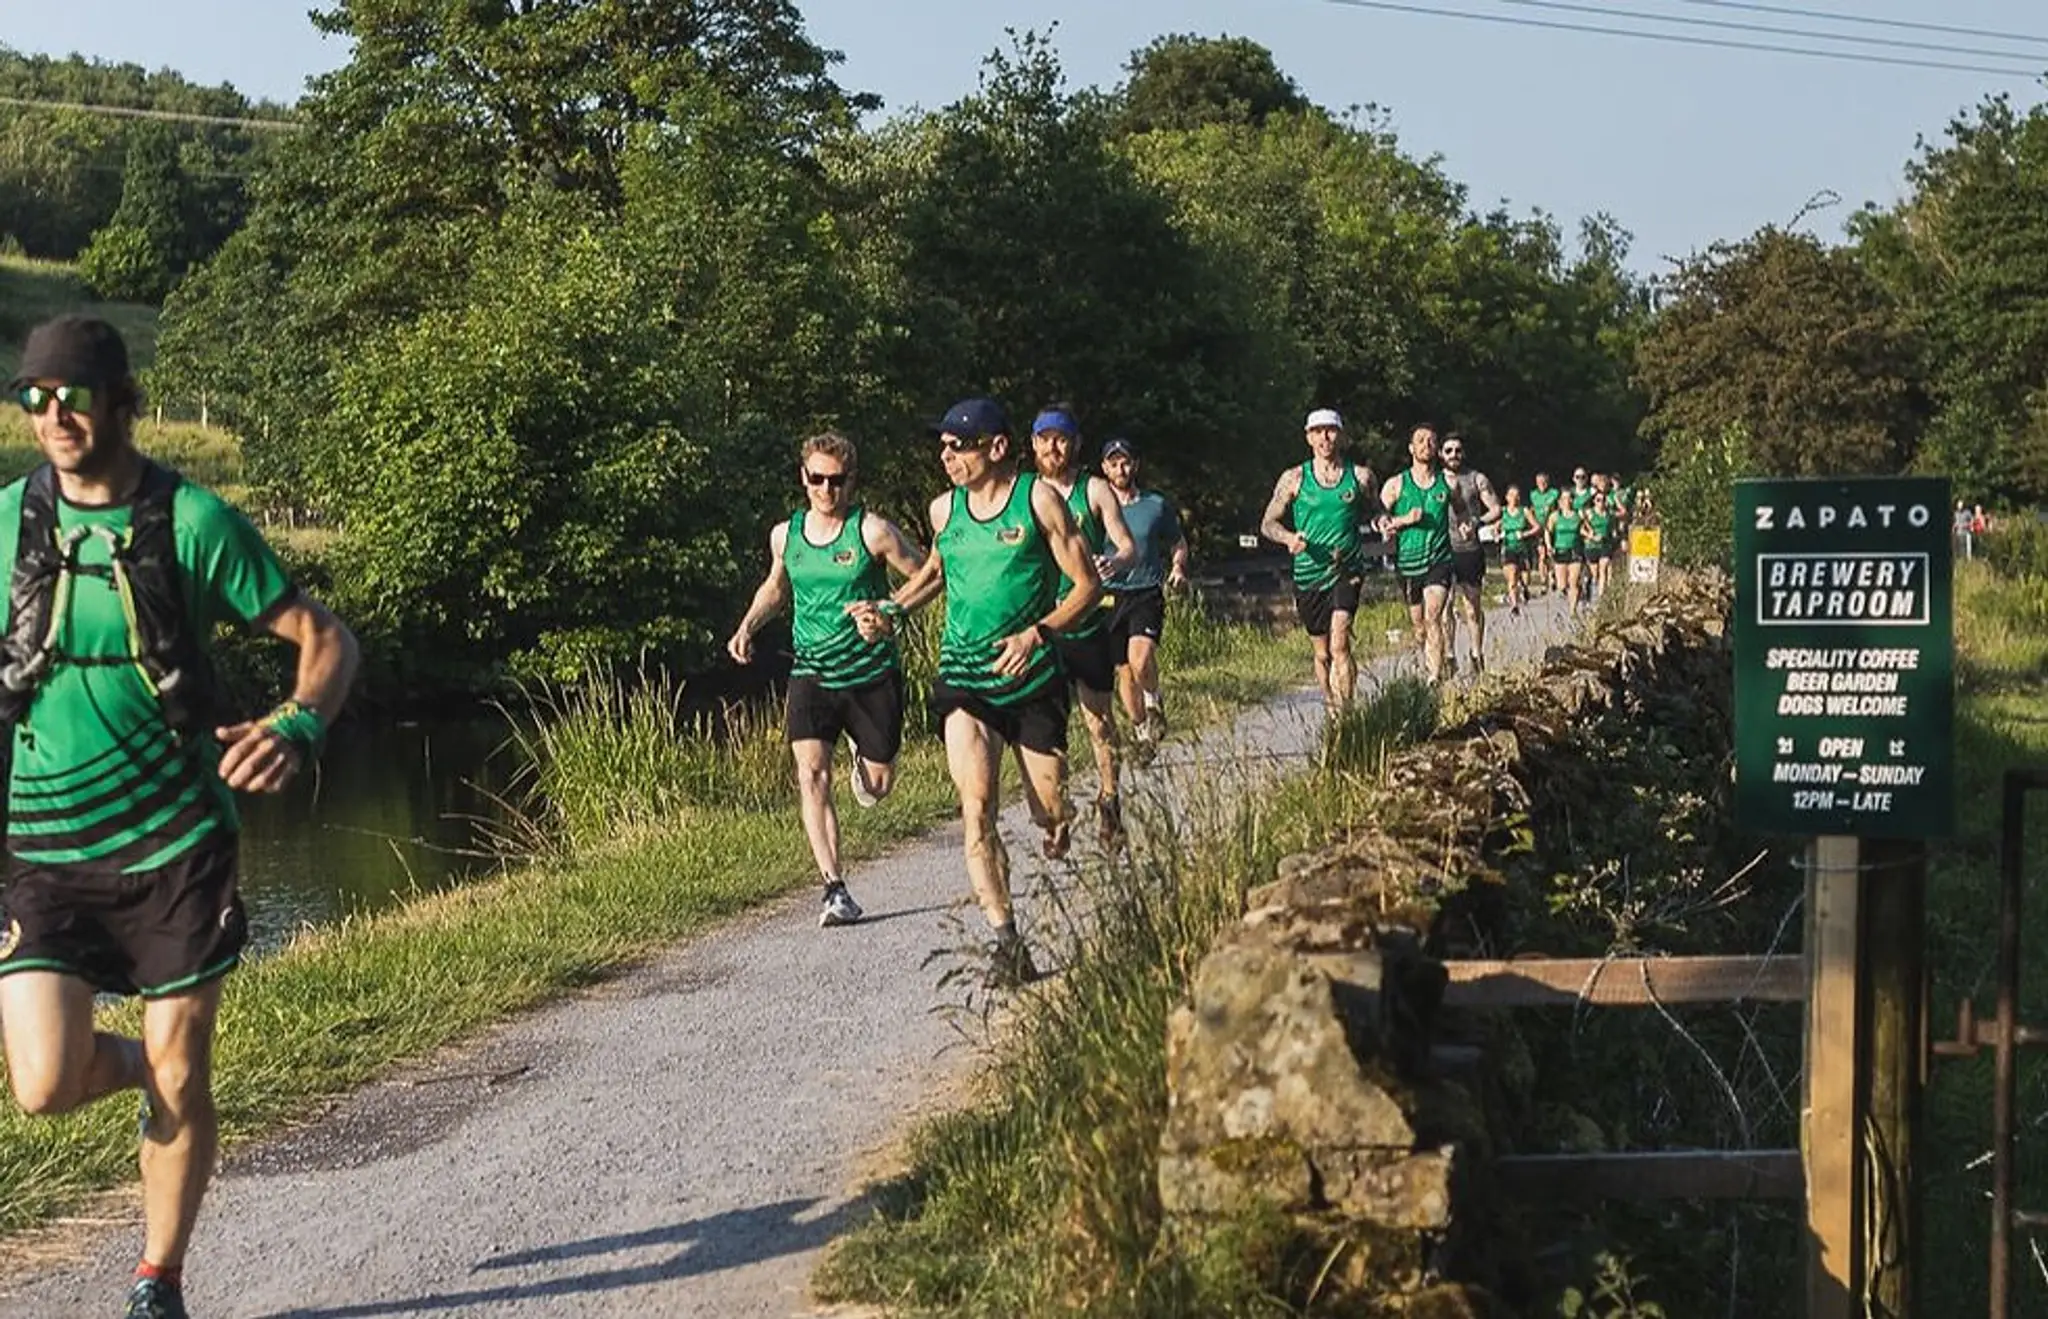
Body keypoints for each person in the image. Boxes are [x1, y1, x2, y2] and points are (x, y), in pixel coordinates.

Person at [0, 316, 362, 1319]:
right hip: (43, 842)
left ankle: (156, 1279)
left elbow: (325, 639)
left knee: (184, 1060)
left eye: (74, 392)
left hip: (176, 841)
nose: (56, 413)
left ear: (124, 401)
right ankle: (140, 1069)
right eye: (36, 397)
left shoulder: (195, 521)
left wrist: (299, 721)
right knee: (41, 1082)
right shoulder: (3, 523)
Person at [858, 398, 1101, 988]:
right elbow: (936, 575)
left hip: (1033, 678)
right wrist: (893, 609)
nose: (947, 456)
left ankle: (1057, 819)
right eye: (941, 446)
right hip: (965, 677)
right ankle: (1005, 941)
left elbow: (1087, 585)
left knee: (1049, 811)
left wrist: (1038, 634)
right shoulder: (945, 511)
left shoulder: (1038, 501)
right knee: (978, 806)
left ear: (996, 447)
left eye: (958, 445)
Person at [726, 432, 926, 927]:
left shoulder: (872, 531)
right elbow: (776, 585)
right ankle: (834, 889)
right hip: (811, 670)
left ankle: (866, 762)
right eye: (816, 479)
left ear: (850, 482)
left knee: (878, 787)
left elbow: (927, 574)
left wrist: (887, 612)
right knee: (810, 774)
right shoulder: (785, 535)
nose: (826, 490)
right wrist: (748, 625)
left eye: (836, 481)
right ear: (804, 478)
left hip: (870, 672)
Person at [1027, 407, 1137, 847]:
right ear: (1033, 444)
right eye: (1045, 439)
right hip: (1044, 628)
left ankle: (1109, 802)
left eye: (1061, 439)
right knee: (1048, 729)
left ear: (1075, 443)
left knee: (1098, 721)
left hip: (1087, 623)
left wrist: (1113, 560)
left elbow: (1126, 543)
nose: (1054, 448)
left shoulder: (1094, 490)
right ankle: (1059, 813)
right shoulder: (1025, 495)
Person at [1259, 408, 1379, 711]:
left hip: (1346, 570)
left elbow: (1377, 512)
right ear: (1309, 437)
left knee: (1340, 643)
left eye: (1331, 430)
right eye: (1318, 431)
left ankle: (1346, 712)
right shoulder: (1294, 478)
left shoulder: (1361, 477)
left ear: (1340, 435)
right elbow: (1268, 523)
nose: (1325, 437)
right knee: (1323, 652)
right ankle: (1330, 700)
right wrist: (1289, 538)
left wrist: (1384, 522)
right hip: (1308, 573)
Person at [1098, 437, 1188, 766]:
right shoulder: (1097, 506)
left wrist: (1178, 567)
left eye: (1126, 462)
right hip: (1109, 594)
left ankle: (1153, 700)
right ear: (1104, 467)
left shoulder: (1155, 504)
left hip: (1146, 589)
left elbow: (1178, 543)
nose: (1120, 469)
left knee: (1140, 660)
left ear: (1135, 465)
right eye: (1113, 462)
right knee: (1123, 672)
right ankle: (1143, 735)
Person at [1378, 425, 1454, 685]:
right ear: (1411, 448)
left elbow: (1463, 509)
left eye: (1431, 440)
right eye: (1420, 441)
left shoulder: (1448, 482)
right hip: (1408, 562)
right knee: (1419, 626)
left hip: (1439, 559)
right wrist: (1403, 520)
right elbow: (1380, 521)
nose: (1426, 444)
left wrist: (1466, 522)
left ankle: (1435, 676)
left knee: (1434, 616)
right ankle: (1428, 659)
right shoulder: (1396, 485)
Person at [1438, 433, 1501, 676]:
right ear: (1441, 454)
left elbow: (1496, 509)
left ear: (1463, 453)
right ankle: (1450, 655)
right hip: (1442, 547)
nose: (1453, 454)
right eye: (1449, 450)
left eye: (1457, 450)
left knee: (1472, 606)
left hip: (1469, 549)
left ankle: (1476, 653)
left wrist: (1476, 522)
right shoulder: (1434, 480)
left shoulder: (1476, 479)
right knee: (1444, 605)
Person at [1547, 473, 1588, 616]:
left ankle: (1573, 610)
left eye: (1569, 498)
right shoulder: (1555, 516)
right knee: (1562, 585)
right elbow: (1548, 531)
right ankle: (1563, 586)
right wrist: (1549, 546)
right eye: (1564, 499)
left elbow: (1586, 529)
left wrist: (1590, 535)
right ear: (1559, 501)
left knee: (1574, 582)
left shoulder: (1579, 515)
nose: (1567, 501)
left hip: (1575, 550)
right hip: (1560, 550)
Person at [1498, 485, 1537, 614]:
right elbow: (1495, 527)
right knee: (1512, 576)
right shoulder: (1503, 512)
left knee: (1525, 578)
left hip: (1522, 548)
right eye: (1511, 495)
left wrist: (1524, 534)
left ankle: (1524, 587)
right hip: (1508, 548)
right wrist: (1497, 534)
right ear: (1507, 497)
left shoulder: (1524, 511)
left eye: (1516, 495)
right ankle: (1514, 605)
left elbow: (1537, 527)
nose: (1514, 498)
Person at [1581, 487, 1617, 596]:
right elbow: (1581, 529)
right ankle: (1589, 584)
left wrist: (1614, 536)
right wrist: (1591, 536)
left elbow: (1612, 529)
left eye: (1603, 500)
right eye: (1598, 500)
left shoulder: (1609, 515)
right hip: (1591, 546)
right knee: (1595, 574)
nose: (1601, 503)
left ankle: (1602, 598)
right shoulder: (1589, 514)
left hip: (1605, 545)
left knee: (1603, 569)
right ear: (1594, 501)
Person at [1527, 472, 1560, 587]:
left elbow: (1556, 507)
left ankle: (1552, 575)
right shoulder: (1533, 495)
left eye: (1544, 482)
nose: (1542, 484)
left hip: (1551, 527)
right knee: (1542, 554)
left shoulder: (1554, 493)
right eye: (1539, 482)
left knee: (1551, 553)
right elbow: (1531, 509)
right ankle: (1543, 579)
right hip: (1539, 528)